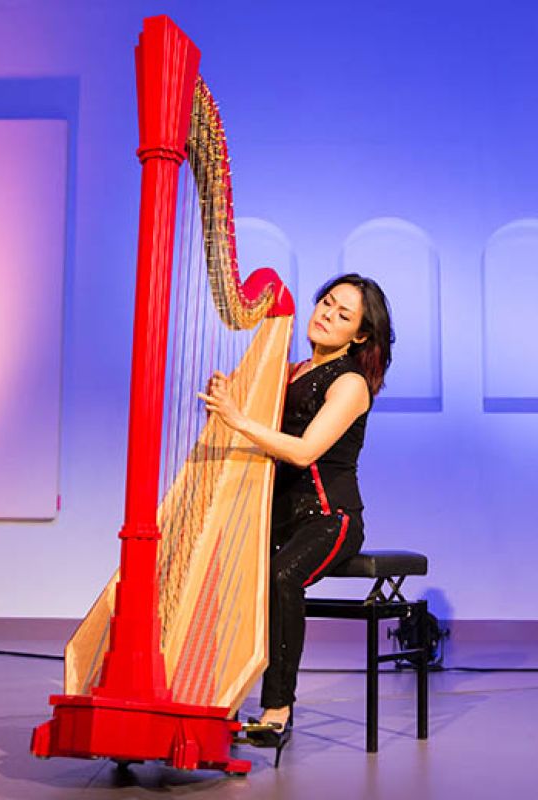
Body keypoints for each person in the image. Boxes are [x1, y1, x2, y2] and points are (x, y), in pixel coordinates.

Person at [199, 272, 394, 751]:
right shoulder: (286, 371)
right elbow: (249, 432)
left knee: (281, 575)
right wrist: (225, 404)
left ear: (361, 335)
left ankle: (278, 709)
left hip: (332, 519)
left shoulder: (350, 384)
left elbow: (305, 452)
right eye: (326, 303)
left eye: (343, 314)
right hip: (282, 517)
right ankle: (214, 695)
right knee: (223, 571)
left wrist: (238, 418)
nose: (327, 315)